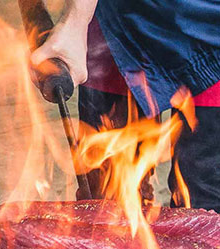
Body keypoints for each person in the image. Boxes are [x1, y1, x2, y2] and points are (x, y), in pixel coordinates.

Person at [30, 0, 220, 212]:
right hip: (118, 30)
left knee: (207, 207)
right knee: (108, 206)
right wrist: (75, 24)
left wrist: (74, 23)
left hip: (211, 27)